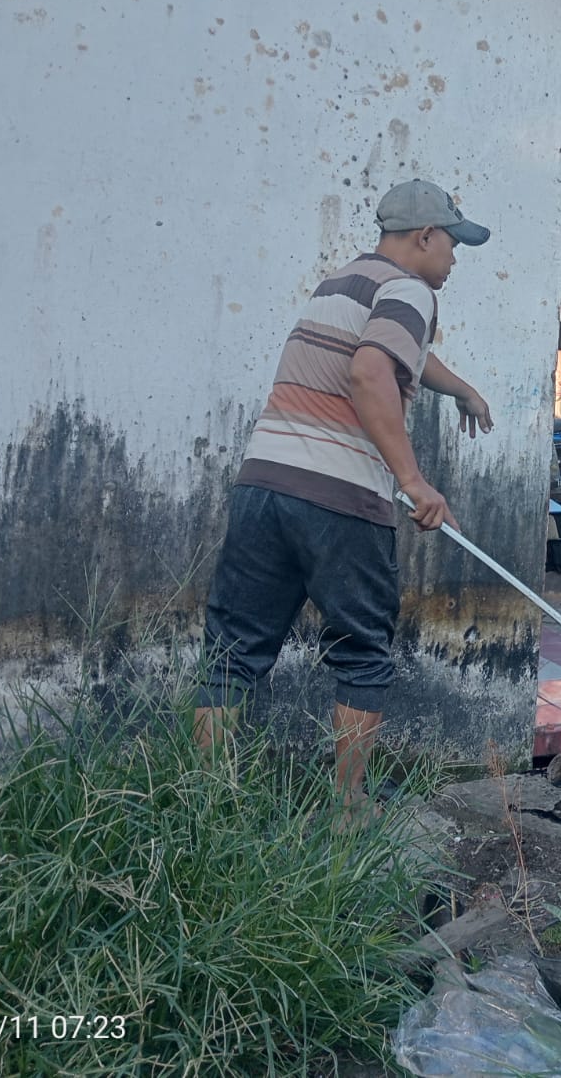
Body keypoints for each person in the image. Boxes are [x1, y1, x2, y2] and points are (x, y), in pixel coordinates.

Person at [196, 179, 496, 825]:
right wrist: (413, 481)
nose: (454, 258)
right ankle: (349, 807)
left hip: (263, 486)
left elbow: (404, 353)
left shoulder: (342, 283)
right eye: (452, 243)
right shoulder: (411, 291)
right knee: (362, 653)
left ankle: (206, 804)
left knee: (234, 650)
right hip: (336, 497)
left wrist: (463, 390)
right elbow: (369, 371)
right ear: (424, 237)